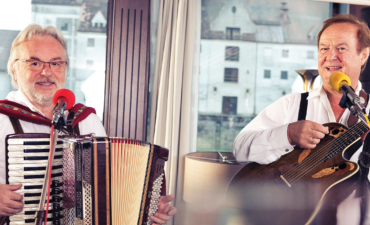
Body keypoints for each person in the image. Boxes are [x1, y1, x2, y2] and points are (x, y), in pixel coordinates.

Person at [0, 24, 176, 224]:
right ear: (14, 67)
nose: (47, 72)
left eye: (56, 63)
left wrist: (148, 208)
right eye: (35, 63)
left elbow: (111, 189)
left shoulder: (86, 120)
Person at [233, 14, 370, 225]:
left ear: (363, 55)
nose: (330, 56)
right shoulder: (292, 104)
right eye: (324, 48)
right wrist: (287, 134)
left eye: (341, 48)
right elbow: (240, 148)